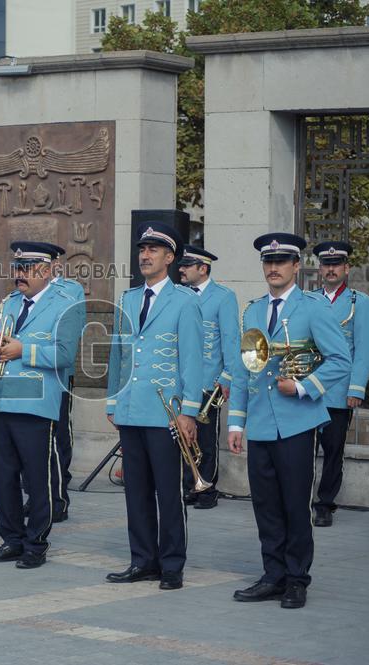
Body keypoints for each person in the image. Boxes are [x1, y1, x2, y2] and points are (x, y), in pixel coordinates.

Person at [227, 232, 349, 609]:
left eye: (281, 262)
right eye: (268, 262)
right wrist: (235, 422)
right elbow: (242, 368)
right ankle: (273, 575)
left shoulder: (313, 308)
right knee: (265, 505)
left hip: (297, 422)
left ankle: (297, 579)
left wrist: (302, 387)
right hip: (262, 423)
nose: (273, 268)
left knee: (295, 504)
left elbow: (340, 361)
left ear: (296, 266)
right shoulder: (252, 310)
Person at [104, 223, 203, 591]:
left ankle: (172, 564)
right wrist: (113, 400)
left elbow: (193, 361)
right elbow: (119, 354)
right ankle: (142, 560)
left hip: (166, 413)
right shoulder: (128, 299)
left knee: (168, 491)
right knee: (136, 491)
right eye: (142, 249)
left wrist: (189, 411)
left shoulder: (186, 301)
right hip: (131, 409)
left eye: (153, 250)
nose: (144, 255)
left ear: (170, 257)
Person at [0, 241, 85, 569]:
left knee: (38, 478)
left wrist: (22, 350)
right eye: (18, 268)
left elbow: (65, 355)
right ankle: (11, 539)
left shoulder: (66, 302)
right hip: (4, 397)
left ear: (49, 270)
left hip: (37, 402)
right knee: (3, 476)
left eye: (28, 269)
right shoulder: (9, 303)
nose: (20, 275)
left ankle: (36, 543)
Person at [310, 240, 369, 527]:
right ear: (320, 268)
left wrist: (356, 388)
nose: (331, 269)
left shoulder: (359, 302)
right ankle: (301, 498)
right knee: (302, 450)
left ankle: (325, 503)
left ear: (346, 268)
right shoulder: (308, 299)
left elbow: (363, 349)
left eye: (336, 264)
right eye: (326, 264)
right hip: (309, 388)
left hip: (338, 389)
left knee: (334, 450)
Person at [176, 244, 240, 510]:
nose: (180, 269)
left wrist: (226, 377)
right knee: (182, 438)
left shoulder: (223, 297)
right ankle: (190, 484)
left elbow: (231, 341)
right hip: (181, 381)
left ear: (203, 268)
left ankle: (207, 489)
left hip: (208, 382)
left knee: (204, 439)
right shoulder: (178, 295)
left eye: (187, 265)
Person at [48, 259, 85, 522]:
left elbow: (74, 330)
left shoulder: (71, 290)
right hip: (30, 375)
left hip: (58, 371)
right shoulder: (20, 293)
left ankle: (60, 485)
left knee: (59, 429)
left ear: (56, 264)